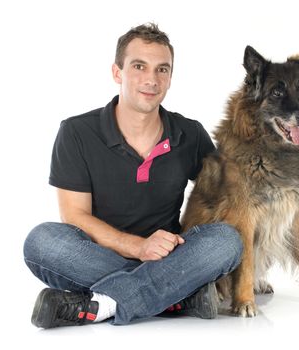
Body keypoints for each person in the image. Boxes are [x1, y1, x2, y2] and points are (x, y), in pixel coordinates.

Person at [23, 23, 243, 328]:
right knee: (42, 242)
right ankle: (177, 296)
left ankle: (101, 305)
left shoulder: (189, 133)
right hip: (100, 255)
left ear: (170, 77)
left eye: (162, 69)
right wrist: (139, 248)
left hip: (171, 255)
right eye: (139, 66)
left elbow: (229, 193)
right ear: (117, 73)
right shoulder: (76, 132)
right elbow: (74, 215)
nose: (151, 80)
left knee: (226, 241)